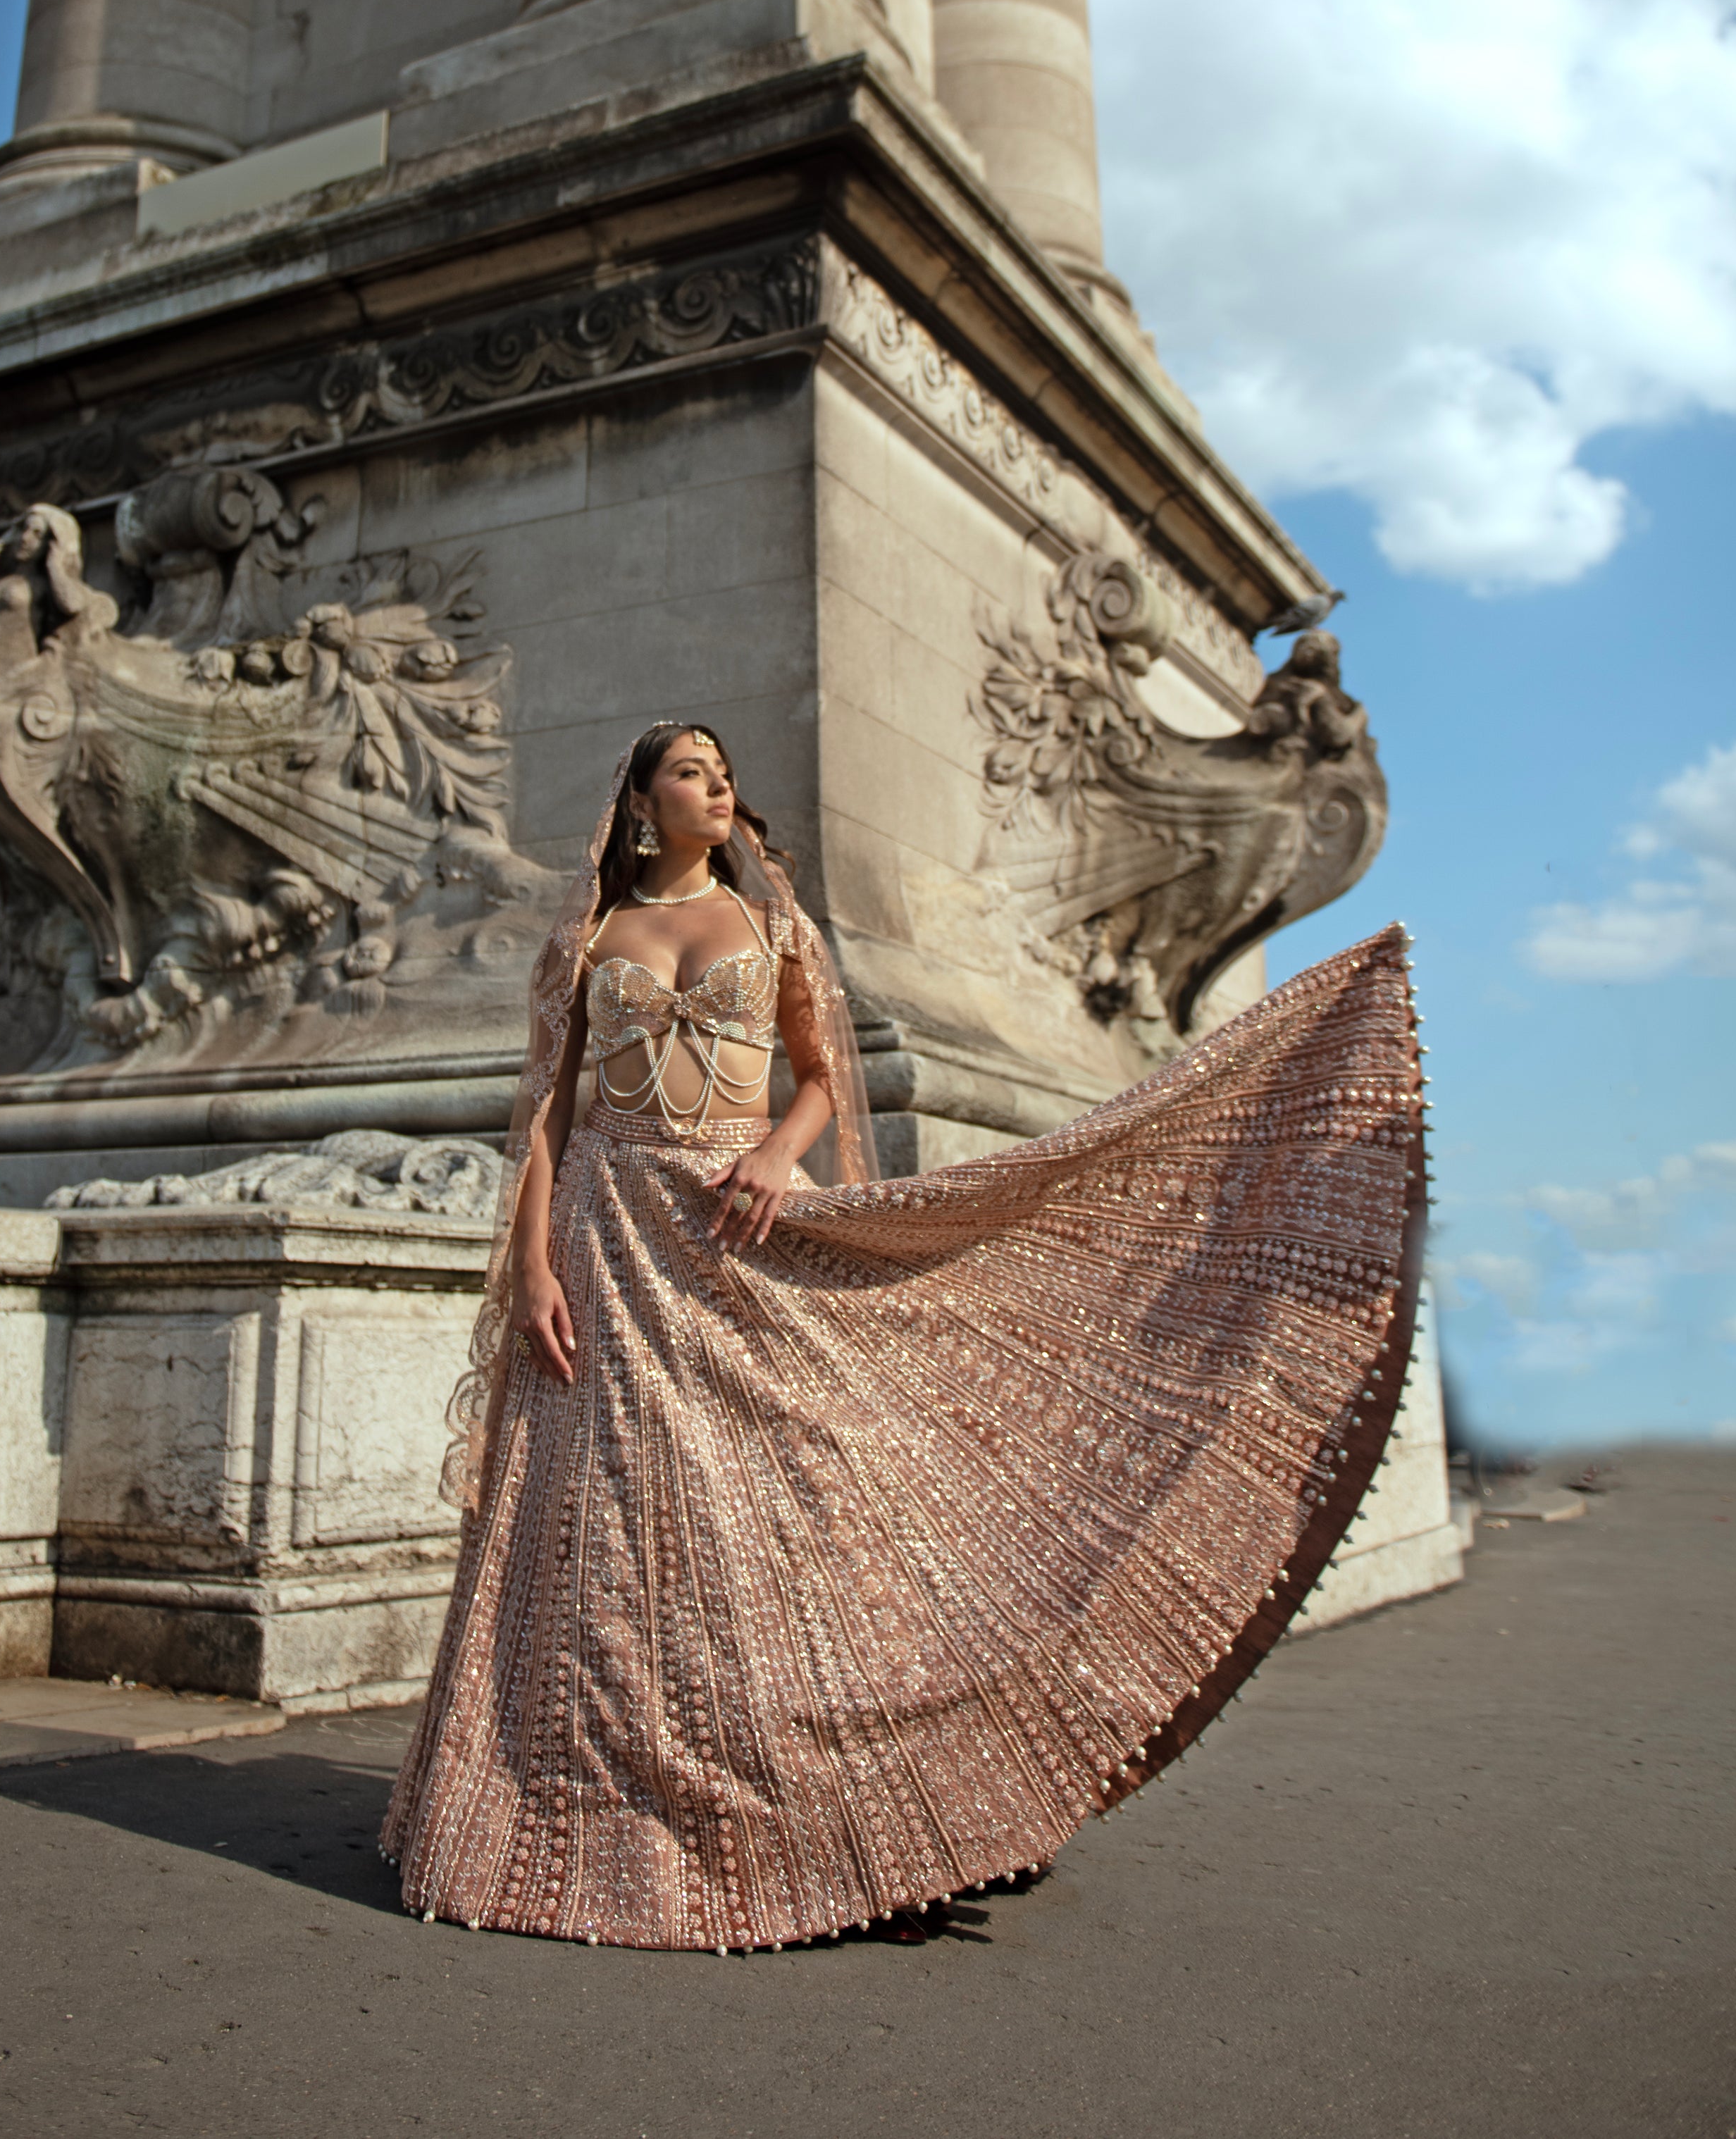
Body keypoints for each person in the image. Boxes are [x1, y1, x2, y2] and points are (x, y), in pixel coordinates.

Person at [381, 721, 1425, 1952]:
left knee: (771, 1511)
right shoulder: (590, 937)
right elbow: (549, 1115)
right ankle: (584, 1801)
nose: (719, 785)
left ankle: (852, 1809)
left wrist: (775, 1153)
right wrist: (533, 1263)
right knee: (597, 1521)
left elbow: (821, 1076)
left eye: (724, 771)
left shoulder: (775, 928)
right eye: (692, 771)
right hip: (608, 1241)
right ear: (641, 801)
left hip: (725, 1226)